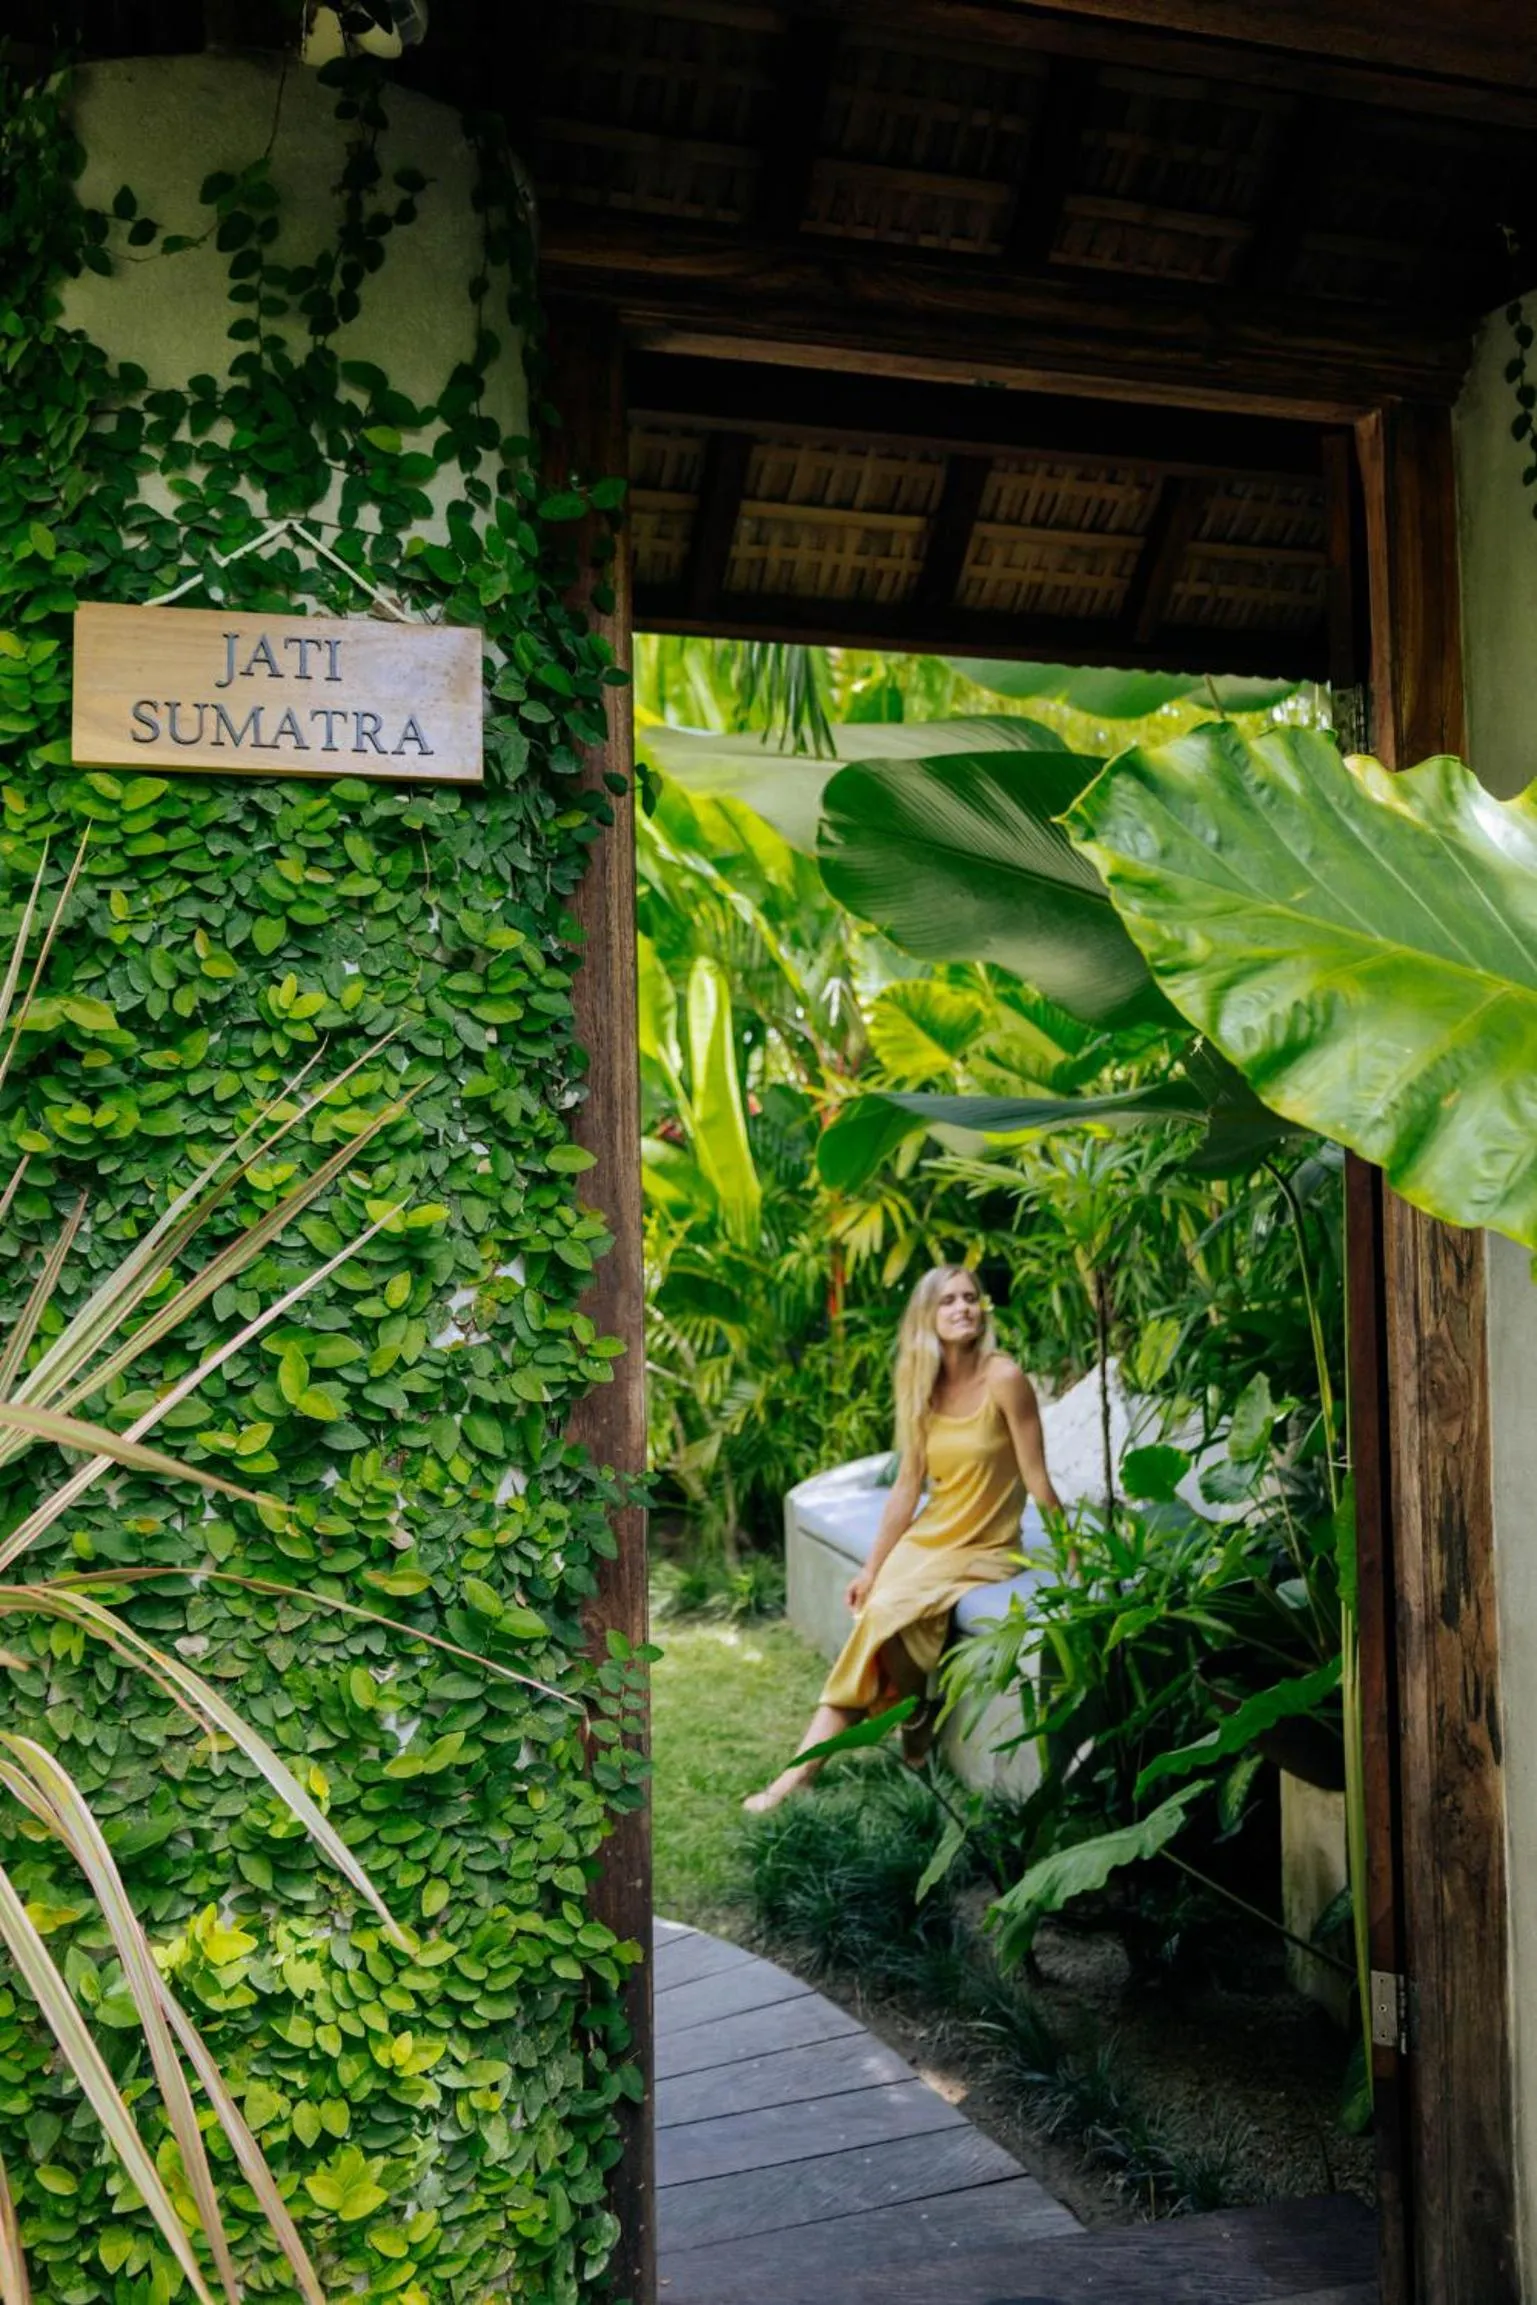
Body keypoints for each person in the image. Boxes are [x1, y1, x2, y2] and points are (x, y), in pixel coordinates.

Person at [744, 1262, 1063, 1814]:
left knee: (881, 1617)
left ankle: (794, 1781)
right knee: (879, 1608)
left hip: (985, 1548)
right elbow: (905, 1490)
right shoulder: (921, 1385)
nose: (963, 1307)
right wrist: (871, 1567)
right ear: (927, 1316)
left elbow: (1038, 1479)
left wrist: (1077, 1556)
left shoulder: (1005, 1379)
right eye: (948, 1301)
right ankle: (915, 1719)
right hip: (929, 1538)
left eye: (970, 1298)